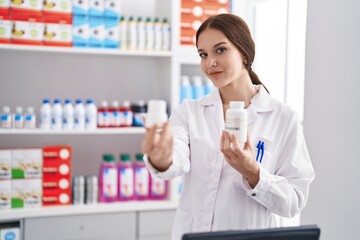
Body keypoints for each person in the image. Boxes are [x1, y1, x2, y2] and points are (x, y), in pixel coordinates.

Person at [141, 13, 315, 240]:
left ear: (244, 52)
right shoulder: (190, 112)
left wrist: (253, 173)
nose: (210, 62)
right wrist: (161, 159)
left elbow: (294, 201)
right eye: (203, 54)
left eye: (220, 50)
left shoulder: (283, 119)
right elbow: (177, 160)